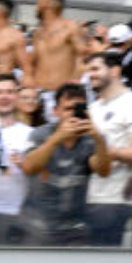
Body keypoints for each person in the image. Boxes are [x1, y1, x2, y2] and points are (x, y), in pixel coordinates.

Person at [16, 82, 108, 245]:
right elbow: (29, 167)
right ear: (55, 111)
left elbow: (103, 170)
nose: (73, 114)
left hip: (74, 229)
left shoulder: (91, 139)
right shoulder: (40, 134)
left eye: (78, 108)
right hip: (36, 226)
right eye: (67, 109)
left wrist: (98, 138)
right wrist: (58, 137)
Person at [85, 51, 132, 245]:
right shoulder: (93, 108)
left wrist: (106, 152)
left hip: (117, 199)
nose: (90, 74)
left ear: (114, 71)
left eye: (96, 69)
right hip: (90, 196)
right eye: (88, 70)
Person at [0, 72, 32, 244]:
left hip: (16, 213)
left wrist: (26, 165)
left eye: (9, 92)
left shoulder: (30, 134)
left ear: (17, 96)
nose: (4, 97)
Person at [29, 0, 82, 104]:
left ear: (46, 3)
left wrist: (74, 81)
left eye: (38, 2)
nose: (36, 6)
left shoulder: (70, 27)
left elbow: (83, 55)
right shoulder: (38, 32)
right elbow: (33, 61)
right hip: (37, 93)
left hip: (60, 94)